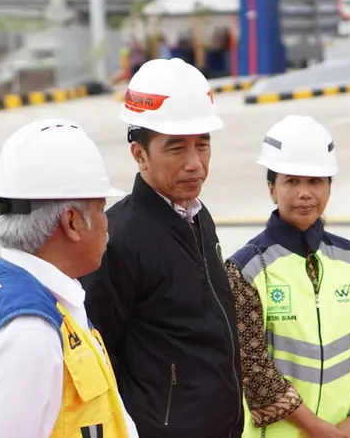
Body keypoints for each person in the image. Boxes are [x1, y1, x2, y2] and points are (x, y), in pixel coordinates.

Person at [0, 119, 140, 438]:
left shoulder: (38, 292)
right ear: (72, 222)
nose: (108, 224)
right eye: (102, 209)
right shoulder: (30, 332)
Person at [80, 58, 244, 438]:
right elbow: (99, 359)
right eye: (176, 149)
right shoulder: (117, 240)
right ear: (139, 154)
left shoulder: (199, 218)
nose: (195, 164)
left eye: (202, 145)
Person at [226, 115, 350, 438]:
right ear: (272, 188)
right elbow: (256, 373)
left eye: (316, 181)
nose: (305, 193)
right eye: (292, 181)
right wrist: (323, 431)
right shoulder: (246, 270)